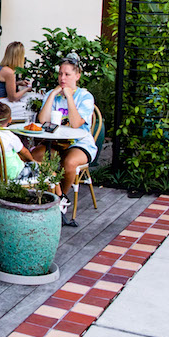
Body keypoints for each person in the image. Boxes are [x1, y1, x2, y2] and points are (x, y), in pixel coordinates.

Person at [29, 54, 97, 220]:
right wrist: (52, 95)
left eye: (67, 74)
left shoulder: (85, 97)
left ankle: (61, 199)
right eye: (60, 74)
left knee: (69, 163)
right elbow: (42, 120)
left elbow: (75, 124)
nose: (62, 78)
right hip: (56, 142)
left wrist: (69, 97)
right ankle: (50, 196)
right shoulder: (53, 94)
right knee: (36, 156)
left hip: (80, 143)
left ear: (77, 76)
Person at [0, 103, 35, 180]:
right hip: (14, 174)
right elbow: (24, 152)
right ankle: (58, 192)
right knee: (47, 171)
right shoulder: (10, 136)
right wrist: (33, 161)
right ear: (10, 119)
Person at [0, 41, 33, 111]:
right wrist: (27, 89)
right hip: (2, 105)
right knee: (32, 105)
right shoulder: (9, 72)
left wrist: (18, 83)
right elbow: (13, 98)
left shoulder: (1, 66)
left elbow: (4, 85)